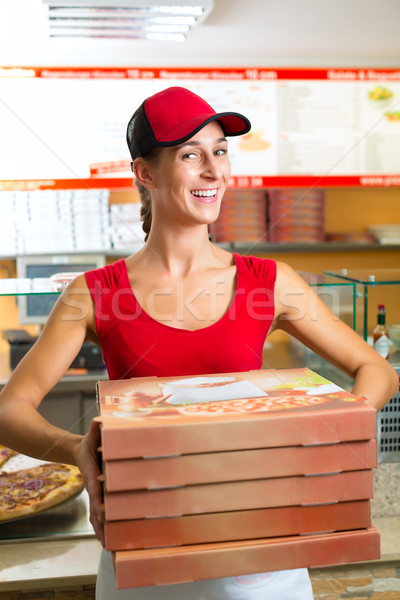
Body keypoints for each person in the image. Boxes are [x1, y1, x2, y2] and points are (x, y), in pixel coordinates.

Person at [0, 86, 398, 600]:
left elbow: (378, 370)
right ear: (145, 173)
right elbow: (10, 408)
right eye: (191, 154)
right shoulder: (94, 294)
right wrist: (80, 450)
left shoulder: (269, 283)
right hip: (144, 551)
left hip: (262, 556)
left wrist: (320, 432)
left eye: (221, 151)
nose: (215, 170)